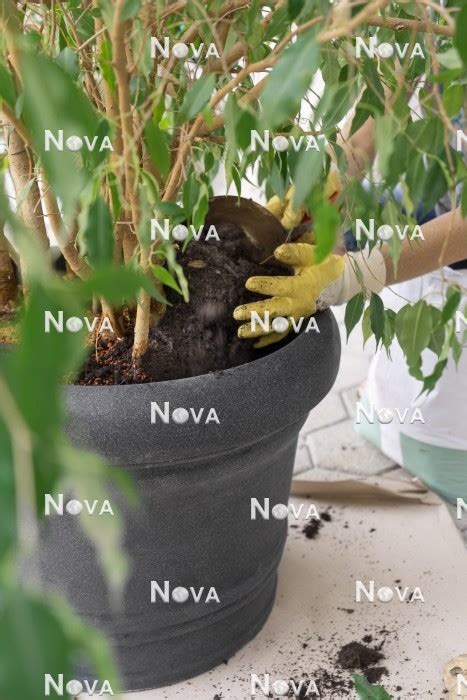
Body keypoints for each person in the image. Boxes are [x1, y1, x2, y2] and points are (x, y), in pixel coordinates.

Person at [233, 108, 467, 505]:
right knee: (335, 233)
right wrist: (332, 172)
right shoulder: (439, 45)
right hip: (443, 183)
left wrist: (357, 273)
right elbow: (389, 90)